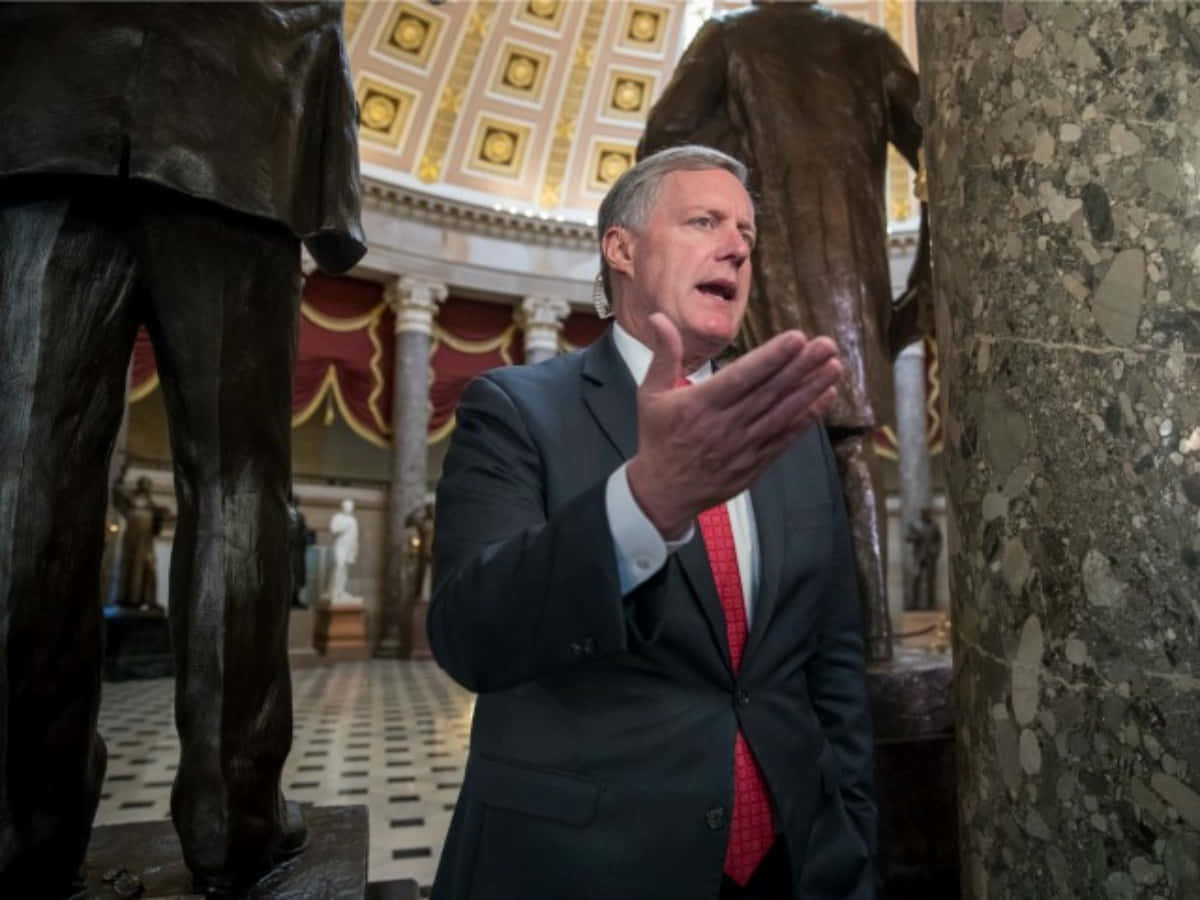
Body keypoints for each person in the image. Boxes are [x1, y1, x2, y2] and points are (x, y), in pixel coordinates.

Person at [429, 146, 876, 900]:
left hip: (795, 863)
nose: (737, 245)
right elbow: (471, 635)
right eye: (704, 221)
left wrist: (854, 840)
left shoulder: (792, 433)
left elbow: (832, 659)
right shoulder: (514, 410)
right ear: (621, 249)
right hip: (588, 867)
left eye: (746, 234)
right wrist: (645, 506)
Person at [0, 4, 364, 896]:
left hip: (41, 112)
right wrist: (336, 200)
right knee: (237, 483)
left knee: (19, 481)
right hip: (234, 117)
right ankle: (231, 815)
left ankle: (19, 824)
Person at [638, 0, 932, 664]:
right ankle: (874, 639)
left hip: (762, 277)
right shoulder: (868, 47)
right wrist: (925, 276)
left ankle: (769, 648)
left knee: (764, 454)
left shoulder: (728, 39)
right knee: (853, 455)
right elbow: (944, 150)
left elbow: (660, 150)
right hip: (854, 288)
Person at [328, 498, 361, 606]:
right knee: (339, 566)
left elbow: (355, 536)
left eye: (351, 506)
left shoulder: (353, 520)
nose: (350, 508)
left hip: (349, 547)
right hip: (340, 545)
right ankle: (334, 591)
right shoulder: (337, 517)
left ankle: (341, 591)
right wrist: (344, 527)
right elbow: (333, 529)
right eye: (348, 506)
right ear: (343, 507)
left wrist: (355, 549)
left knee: (345, 569)